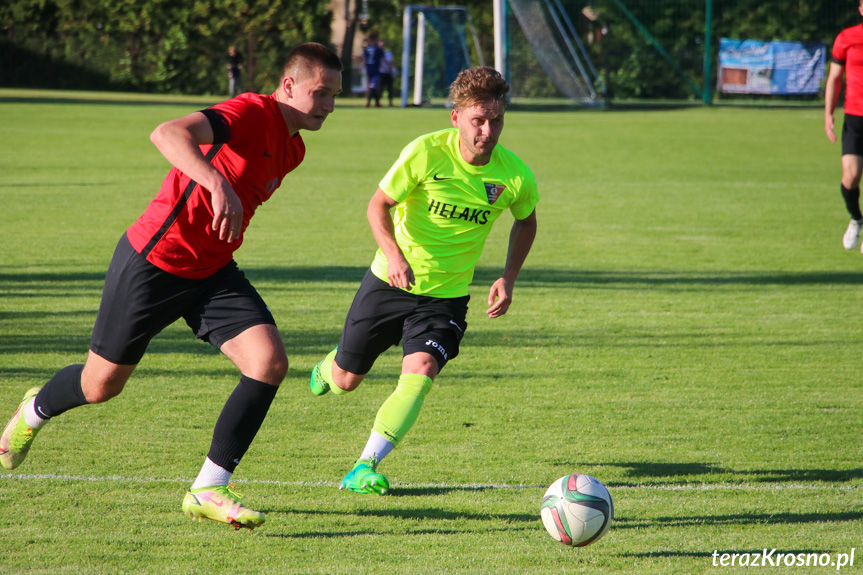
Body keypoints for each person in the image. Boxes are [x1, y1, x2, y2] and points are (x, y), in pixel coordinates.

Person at [0, 43, 343, 529]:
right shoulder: (248, 112)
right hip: (154, 263)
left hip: (212, 272)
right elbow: (168, 133)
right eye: (321, 93)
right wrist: (216, 183)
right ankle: (34, 410)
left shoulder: (295, 148)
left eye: (335, 95)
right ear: (288, 85)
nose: (330, 105)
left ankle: (209, 486)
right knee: (101, 386)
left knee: (268, 364)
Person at [309, 66, 538, 495]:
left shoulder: (514, 175)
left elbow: (526, 222)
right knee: (345, 381)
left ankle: (365, 464)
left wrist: (508, 277)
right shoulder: (426, 152)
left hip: (445, 299)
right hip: (389, 283)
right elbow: (378, 206)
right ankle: (334, 361)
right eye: (478, 120)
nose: (488, 130)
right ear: (456, 118)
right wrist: (394, 256)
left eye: (497, 120)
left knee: (422, 370)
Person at [826, 1, 863, 252]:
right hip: (855, 117)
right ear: (861, 8)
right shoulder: (847, 38)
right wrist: (828, 112)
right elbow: (835, 77)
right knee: (850, 178)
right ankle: (857, 219)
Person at [363, 32, 384, 108]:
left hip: (368, 69)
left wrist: (362, 68)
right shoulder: (378, 50)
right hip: (375, 70)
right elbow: (382, 59)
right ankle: (370, 102)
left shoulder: (367, 49)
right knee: (373, 86)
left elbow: (364, 60)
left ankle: (375, 102)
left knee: (370, 87)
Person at [377, 40, 396, 107]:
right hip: (381, 73)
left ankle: (390, 102)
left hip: (388, 73)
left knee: (390, 88)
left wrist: (392, 69)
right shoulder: (378, 53)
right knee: (380, 88)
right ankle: (378, 102)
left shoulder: (387, 53)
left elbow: (391, 62)